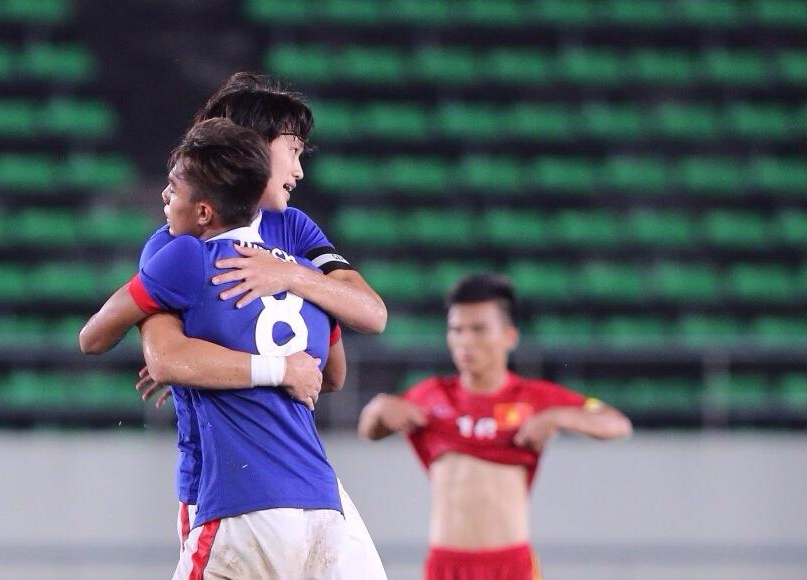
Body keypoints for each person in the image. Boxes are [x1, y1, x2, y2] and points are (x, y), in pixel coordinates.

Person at [81, 72, 386, 571]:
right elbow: (169, 360)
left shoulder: (291, 230)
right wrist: (251, 362)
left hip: (264, 489)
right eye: (293, 149)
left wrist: (287, 275)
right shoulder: (173, 241)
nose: (299, 170)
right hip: (222, 480)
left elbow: (372, 313)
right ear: (253, 147)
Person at [358, 273, 632, 580]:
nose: (466, 341)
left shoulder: (535, 398)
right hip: (447, 567)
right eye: (457, 330)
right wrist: (377, 409)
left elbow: (617, 423)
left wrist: (559, 417)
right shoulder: (431, 396)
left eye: (478, 329)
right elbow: (370, 431)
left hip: (510, 566)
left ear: (509, 336)